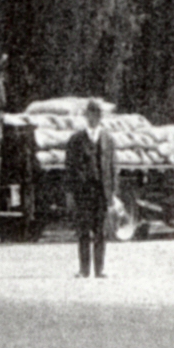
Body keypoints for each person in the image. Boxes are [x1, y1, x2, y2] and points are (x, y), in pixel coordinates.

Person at [65, 99, 119, 278]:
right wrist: (70, 193)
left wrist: (112, 194)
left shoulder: (108, 140)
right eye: (90, 114)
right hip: (83, 192)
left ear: (100, 117)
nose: (93, 118)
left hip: (101, 192)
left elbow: (113, 168)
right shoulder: (75, 140)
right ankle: (84, 269)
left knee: (100, 232)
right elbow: (69, 168)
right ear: (86, 116)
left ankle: (100, 269)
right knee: (83, 231)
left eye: (97, 115)